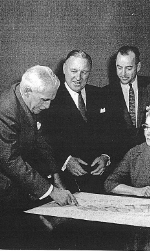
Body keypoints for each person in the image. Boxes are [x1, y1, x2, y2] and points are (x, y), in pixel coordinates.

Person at [0, 65, 78, 248]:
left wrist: (55, 175)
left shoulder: (27, 98)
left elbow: (39, 141)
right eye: (44, 100)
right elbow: (11, 161)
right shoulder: (4, 112)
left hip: (19, 184)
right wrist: (51, 191)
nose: (47, 106)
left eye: (51, 100)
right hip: (1, 192)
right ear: (27, 91)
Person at [41, 50, 111, 194]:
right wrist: (65, 161)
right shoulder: (50, 99)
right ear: (64, 68)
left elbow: (112, 132)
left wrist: (106, 156)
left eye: (84, 72)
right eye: (74, 71)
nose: (78, 77)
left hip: (100, 179)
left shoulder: (100, 95)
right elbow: (43, 139)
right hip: (66, 181)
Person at [101, 46, 150, 163]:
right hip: (119, 160)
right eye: (119, 68)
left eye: (128, 68)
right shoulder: (106, 93)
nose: (123, 73)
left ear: (138, 67)